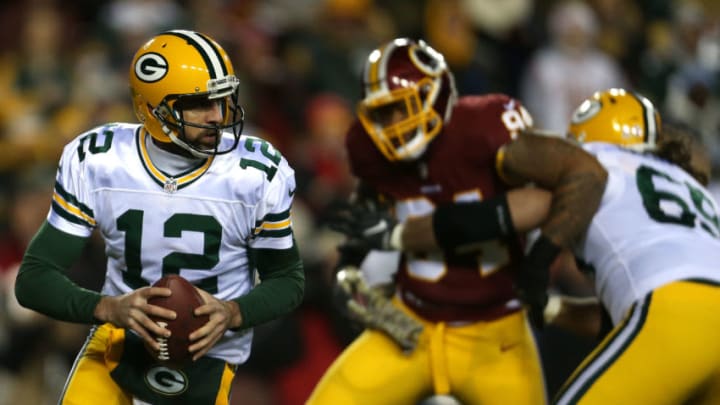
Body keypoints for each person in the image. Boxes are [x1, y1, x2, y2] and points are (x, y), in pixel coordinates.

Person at [341, 87, 720, 404]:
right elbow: (624, 317)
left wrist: (398, 235)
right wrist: (550, 307)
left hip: (670, 312)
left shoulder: (593, 161)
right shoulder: (690, 188)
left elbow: (513, 211)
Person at [13, 29, 305, 404]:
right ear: (153, 110)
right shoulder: (100, 160)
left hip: (209, 352)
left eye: (222, 99)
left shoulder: (255, 172)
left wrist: (233, 312)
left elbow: (288, 280)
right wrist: (108, 307)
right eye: (199, 103)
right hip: (119, 340)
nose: (218, 116)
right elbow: (33, 279)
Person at [308, 37, 548, 405]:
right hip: (411, 328)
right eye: (383, 113)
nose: (391, 125)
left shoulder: (487, 125)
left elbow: (541, 197)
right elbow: (363, 227)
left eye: (400, 108)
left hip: (496, 335)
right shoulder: (376, 156)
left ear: (433, 95)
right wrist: (349, 274)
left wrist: (418, 233)